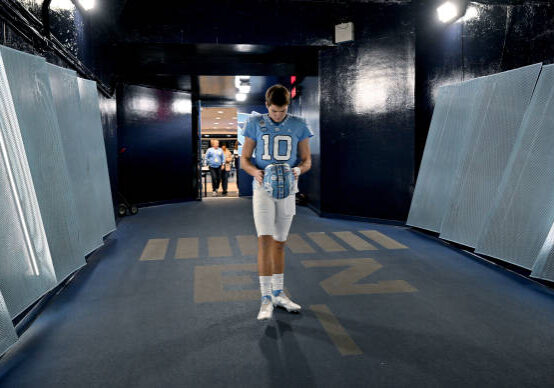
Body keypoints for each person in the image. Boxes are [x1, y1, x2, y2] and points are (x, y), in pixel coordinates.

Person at [241, 84, 313, 321]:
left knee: (280, 243)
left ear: (287, 107)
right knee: (265, 241)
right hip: (263, 189)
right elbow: (244, 159)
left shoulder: (299, 124)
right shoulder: (255, 123)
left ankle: (279, 292)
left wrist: (298, 171)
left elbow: (306, 160)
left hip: (288, 189)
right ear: (266, 106)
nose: (278, 116)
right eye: (273, 111)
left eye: (282, 111)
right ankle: (265, 298)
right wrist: (254, 172)